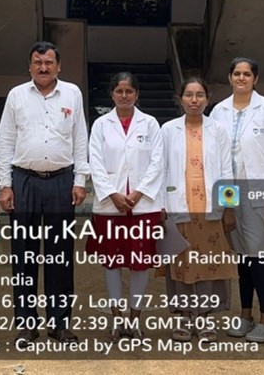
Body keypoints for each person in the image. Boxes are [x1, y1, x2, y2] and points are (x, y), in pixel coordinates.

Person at [0, 41, 89, 344]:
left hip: (62, 183)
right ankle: (26, 324)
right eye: (38, 62)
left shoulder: (72, 94)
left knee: (60, 256)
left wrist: (80, 180)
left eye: (49, 62)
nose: (44, 67)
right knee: (23, 255)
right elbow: (5, 141)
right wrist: (5, 184)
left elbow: (80, 139)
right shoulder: (16, 96)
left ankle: (59, 323)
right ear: (29, 66)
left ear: (58, 66)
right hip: (24, 182)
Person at [209, 57, 264, 344]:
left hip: (260, 192)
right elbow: (218, 160)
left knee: (259, 257)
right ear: (229, 77)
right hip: (232, 194)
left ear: (255, 79)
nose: (241, 78)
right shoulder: (218, 112)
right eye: (236, 73)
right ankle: (245, 315)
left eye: (247, 74)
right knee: (241, 258)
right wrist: (226, 204)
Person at [86, 72, 165, 342]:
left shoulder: (151, 124)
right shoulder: (100, 125)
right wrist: (113, 194)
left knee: (140, 264)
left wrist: (140, 192)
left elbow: (158, 162)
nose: (124, 96)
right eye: (119, 91)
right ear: (112, 94)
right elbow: (94, 162)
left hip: (144, 206)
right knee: (112, 263)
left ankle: (135, 319)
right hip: (110, 207)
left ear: (137, 94)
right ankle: (117, 320)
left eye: (129, 91)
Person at [159, 77, 237, 342]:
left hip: (210, 209)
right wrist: (160, 206)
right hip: (177, 206)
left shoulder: (219, 130)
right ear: (180, 98)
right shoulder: (167, 130)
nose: (194, 100)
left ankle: (204, 318)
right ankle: (183, 317)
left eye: (200, 95)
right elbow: (160, 170)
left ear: (208, 98)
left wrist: (229, 207)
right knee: (180, 264)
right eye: (189, 95)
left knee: (207, 264)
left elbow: (228, 170)